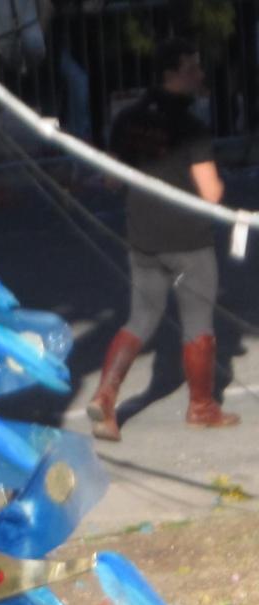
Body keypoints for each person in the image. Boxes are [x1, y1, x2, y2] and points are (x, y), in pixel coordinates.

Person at [88, 36, 238, 441]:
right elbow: (211, 193)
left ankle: (106, 396)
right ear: (172, 73)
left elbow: (111, 179)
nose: (200, 74)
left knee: (141, 318)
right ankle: (202, 406)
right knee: (197, 322)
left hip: (143, 237)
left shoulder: (127, 119)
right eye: (192, 67)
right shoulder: (192, 128)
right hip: (189, 239)